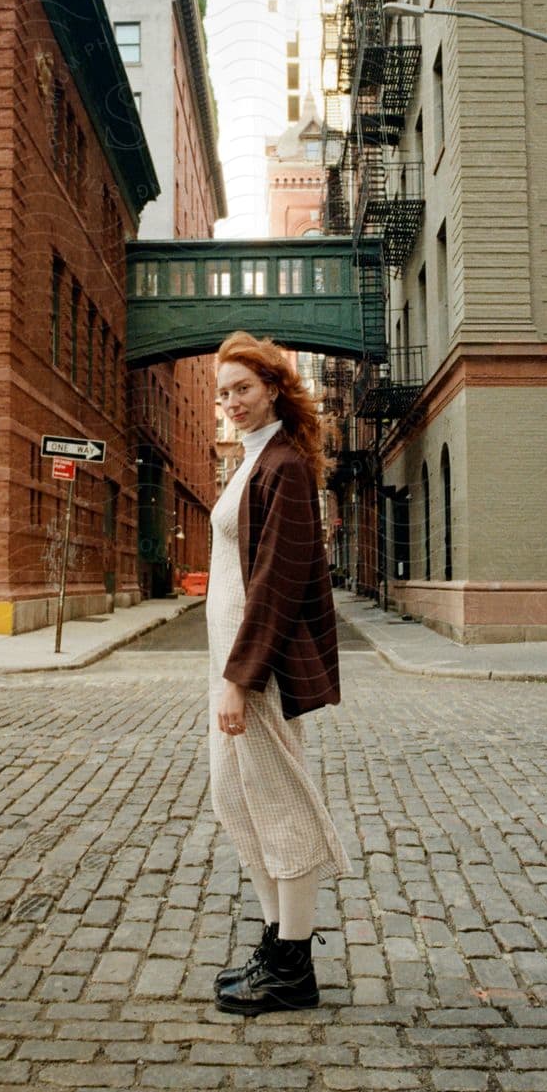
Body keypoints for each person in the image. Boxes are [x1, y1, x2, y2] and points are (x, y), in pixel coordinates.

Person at [207, 331, 351, 1016]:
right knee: (235, 800)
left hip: (253, 668)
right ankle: (275, 941)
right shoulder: (254, 459)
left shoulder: (284, 465)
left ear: (272, 387)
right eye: (223, 392)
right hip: (229, 666)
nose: (230, 402)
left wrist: (242, 677)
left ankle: (294, 964)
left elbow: (277, 581)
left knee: (279, 803)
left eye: (242, 388)